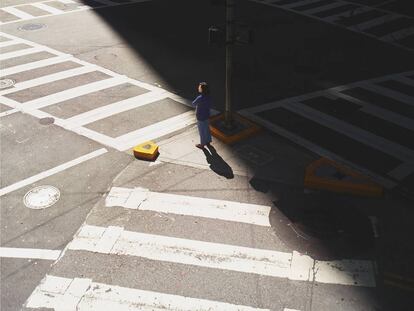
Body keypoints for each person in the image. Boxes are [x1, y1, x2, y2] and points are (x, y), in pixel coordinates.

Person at [192, 82, 212, 149]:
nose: (198, 88)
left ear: (202, 89)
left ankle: (202, 144)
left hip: (200, 117)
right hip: (207, 115)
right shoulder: (208, 96)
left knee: (201, 131)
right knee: (207, 129)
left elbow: (193, 103)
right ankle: (208, 141)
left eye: (199, 87)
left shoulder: (199, 98)